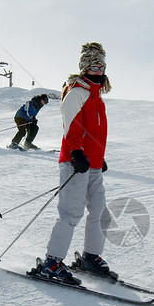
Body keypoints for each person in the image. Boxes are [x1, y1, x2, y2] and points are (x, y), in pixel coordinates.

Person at [38, 42, 113, 284]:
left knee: (100, 211)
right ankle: (51, 262)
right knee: (71, 212)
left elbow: (95, 132)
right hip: (75, 162)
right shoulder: (77, 92)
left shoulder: (96, 96)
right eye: (93, 66)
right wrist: (78, 153)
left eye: (101, 65)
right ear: (84, 68)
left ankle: (90, 257)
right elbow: (72, 127)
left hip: (91, 164)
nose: (98, 70)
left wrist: (99, 158)